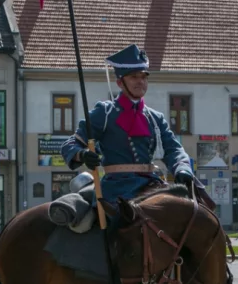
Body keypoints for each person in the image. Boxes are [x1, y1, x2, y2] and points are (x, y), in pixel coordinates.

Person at [59, 43, 204, 206]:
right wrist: (82, 154)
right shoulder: (105, 113)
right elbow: (70, 144)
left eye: (144, 77)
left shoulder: (155, 118)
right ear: (120, 83)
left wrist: (182, 168)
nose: (140, 81)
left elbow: (173, 149)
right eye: (134, 77)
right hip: (116, 189)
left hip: (151, 185)